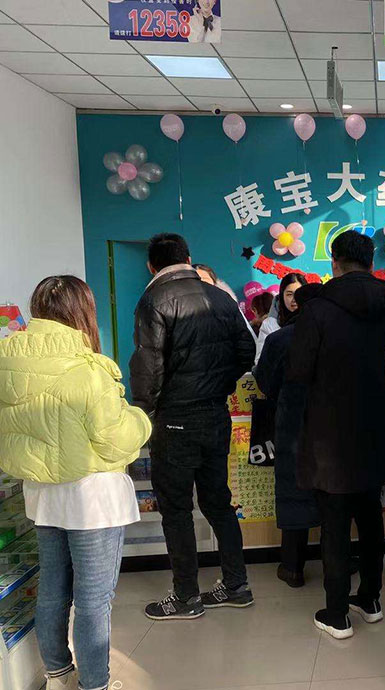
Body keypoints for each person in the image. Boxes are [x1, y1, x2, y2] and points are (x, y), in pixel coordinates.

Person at [0, 276, 151, 690]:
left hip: (42, 494)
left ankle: (58, 675)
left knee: (52, 589)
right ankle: (95, 684)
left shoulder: (9, 362)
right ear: (83, 311)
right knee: (93, 599)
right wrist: (140, 419)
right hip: (92, 498)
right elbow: (114, 438)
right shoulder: (88, 369)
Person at [131, 233, 256, 621]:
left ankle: (186, 596)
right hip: (216, 415)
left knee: (176, 509)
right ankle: (236, 585)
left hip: (175, 420)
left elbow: (148, 366)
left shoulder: (153, 300)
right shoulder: (220, 297)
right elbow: (247, 352)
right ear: (187, 258)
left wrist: (144, 412)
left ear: (152, 265)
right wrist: (218, 384)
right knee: (218, 502)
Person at [287, 231, 385, 640]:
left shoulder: (318, 310)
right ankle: (370, 599)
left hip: (329, 435)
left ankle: (337, 614)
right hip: (379, 427)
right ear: (371, 262)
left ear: (334, 262)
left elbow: (298, 372)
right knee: (371, 517)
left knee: (334, 525)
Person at [253, 284, 323, 588]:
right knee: (332, 496)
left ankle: (293, 567)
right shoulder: (335, 338)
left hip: (291, 426)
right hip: (332, 428)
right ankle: (339, 563)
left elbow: (264, 382)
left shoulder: (279, 339)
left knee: (293, 491)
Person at [256, 273, 305, 362]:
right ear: (282, 296)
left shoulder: (314, 320)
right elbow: (260, 360)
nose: (294, 299)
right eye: (289, 294)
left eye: (299, 293)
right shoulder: (270, 324)